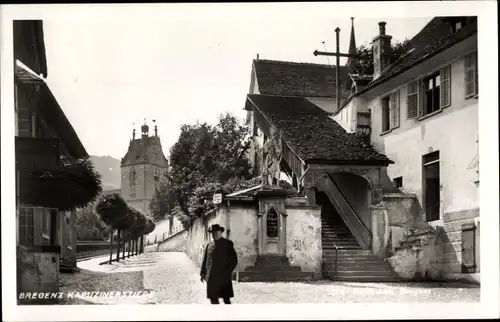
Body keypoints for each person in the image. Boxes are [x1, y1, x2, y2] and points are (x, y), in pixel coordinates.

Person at [200, 224, 238, 304]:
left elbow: (234, 260)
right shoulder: (209, 245)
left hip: (223, 278)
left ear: (221, 232)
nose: (215, 234)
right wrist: (203, 273)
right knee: (213, 299)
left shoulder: (228, 244)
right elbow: (205, 260)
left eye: (217, 232)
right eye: (213, 233)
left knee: (226, 299)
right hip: (211, 277)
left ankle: (228, 315)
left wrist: (228, 271)